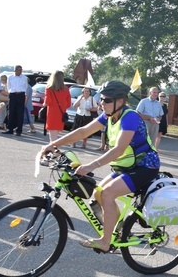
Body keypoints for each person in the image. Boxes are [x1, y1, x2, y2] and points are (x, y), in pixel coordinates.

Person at [40, 81, 161, 253]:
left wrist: (91, 166)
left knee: (108, 193)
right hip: (126, 165)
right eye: (101, 99)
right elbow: (83, 131)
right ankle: (116, 231)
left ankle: (105, 241)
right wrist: (53, 144)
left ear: (119, 101)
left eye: (106, 100)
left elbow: (119, 148)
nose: (101, 103)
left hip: (145, 166)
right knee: (97, 193)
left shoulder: (130, 117)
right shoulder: (110, 115)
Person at [43, 70, 72, 142]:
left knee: (52, 137)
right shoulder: (66, 89)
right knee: (55, 135)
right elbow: (68, 104)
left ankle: (53, 150)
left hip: (52, 113)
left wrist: (43, 105)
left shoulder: (49, 88)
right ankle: (53, 150)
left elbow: (47, 102)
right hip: (61, 114)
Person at [4, 65, 28, 136]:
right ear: (15, 70)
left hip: (21, 95)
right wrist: (11, 92)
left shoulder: (24, 78)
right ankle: (10, 129)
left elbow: (26, 87)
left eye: (21, 70)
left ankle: (19, 130)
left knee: (20, 113)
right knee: (11, 112)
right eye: (18, 69)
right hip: (13, 95)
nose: (20, 71)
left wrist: (23, 94)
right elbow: (8, 87)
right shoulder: (10, 77)